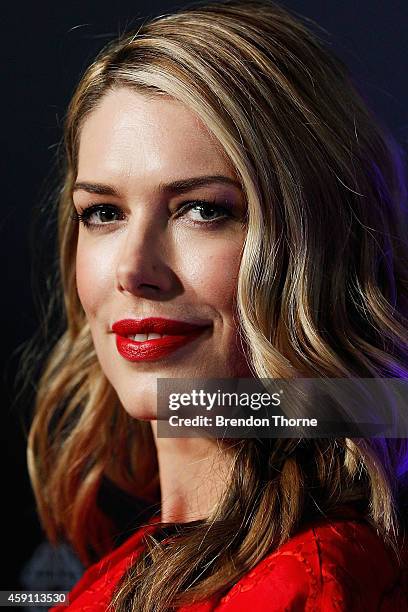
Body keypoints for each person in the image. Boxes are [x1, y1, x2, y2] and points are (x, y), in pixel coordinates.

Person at [25, 0, 408, 609]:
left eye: (204, 210)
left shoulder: (307, 582)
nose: (132, 269)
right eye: (103, 213)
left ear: (317, 243)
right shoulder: (129, 571)